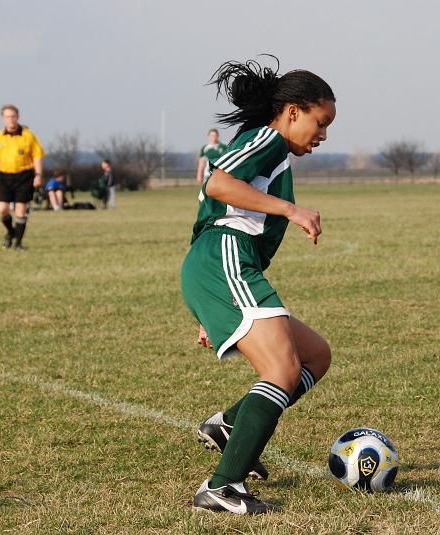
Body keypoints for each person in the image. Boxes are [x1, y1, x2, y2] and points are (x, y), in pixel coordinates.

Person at [180, 56, 336, 514]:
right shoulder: (268, 138)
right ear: (292, 111)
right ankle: (222, 488)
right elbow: (217, 184)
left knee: (314, 356)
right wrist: (292, 210)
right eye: (320, 122)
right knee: (284, 370)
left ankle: (229, 425)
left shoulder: (277, 154)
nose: (323, 135)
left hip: (228, 268)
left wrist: (212, 309)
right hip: (224, 261)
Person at [0, 104, 44, 250]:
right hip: (4, 176)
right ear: (3, 118)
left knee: (21, 211)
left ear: (18, 117)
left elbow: (37, 156)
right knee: (2, 209)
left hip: (24, 176)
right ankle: (11, 232)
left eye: (13, 116)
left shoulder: (29, 135)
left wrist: (38, 174)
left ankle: (18, 243)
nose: (11, 119)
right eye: (7, 116)